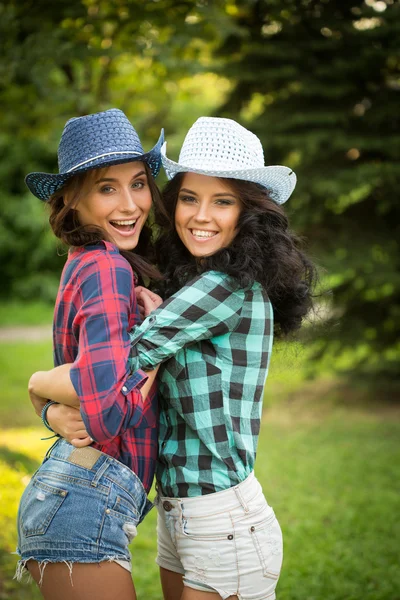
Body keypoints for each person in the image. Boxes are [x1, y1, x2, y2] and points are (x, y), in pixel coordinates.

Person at [38, 116, 317, 600]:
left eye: (222, 201)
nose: (200, 215)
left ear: (248, 213)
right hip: (180, 512)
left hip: (222, 518)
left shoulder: (224, 286)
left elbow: (113, 373)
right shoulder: (191, 283)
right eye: (189, 198)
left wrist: (38, 387)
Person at [16, 108, 164, 600]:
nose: (130, 203)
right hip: (83, 499)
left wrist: (44, 398)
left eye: (138, 183)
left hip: (75, 491)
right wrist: (160, 344)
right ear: (72, 201)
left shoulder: (92, 263)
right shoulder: (107, 270)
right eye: (107, 188)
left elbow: (80, 384)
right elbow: (107, 416)